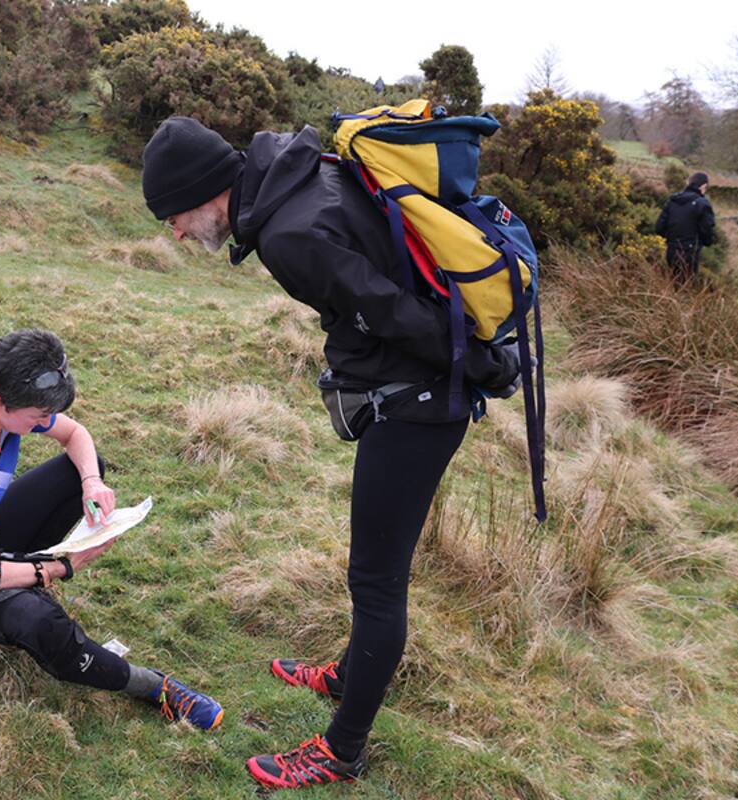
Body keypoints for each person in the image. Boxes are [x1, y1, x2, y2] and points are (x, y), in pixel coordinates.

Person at [141, 118, 520, 790]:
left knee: (377, 582)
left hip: (421, 404)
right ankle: (347, 675)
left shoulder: (289, 234)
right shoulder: (299, 175)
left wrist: (481, 364)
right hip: (412, 392)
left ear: (204, 193)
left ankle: (342, 750)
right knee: (371, 567)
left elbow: (394, 312)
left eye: (174, 217)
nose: (175, 234)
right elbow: (373, 294)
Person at [0, 328, 222, 730]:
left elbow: (75, 434)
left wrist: (93, 482)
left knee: (77, 473)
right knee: (39, 621)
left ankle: (19, 576)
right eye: (38, 417)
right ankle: (152, 686)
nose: (46, 423)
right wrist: (62, 567)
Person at [656, 171, 716, 284]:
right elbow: (707, 230)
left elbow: (659, 227)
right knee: (687, 288)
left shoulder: (672, 200)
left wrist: (671, 239)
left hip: (671, 250)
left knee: (672, 284)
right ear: (703, 186)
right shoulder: (702, 204)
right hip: (690, 253)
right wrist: (707, 241)